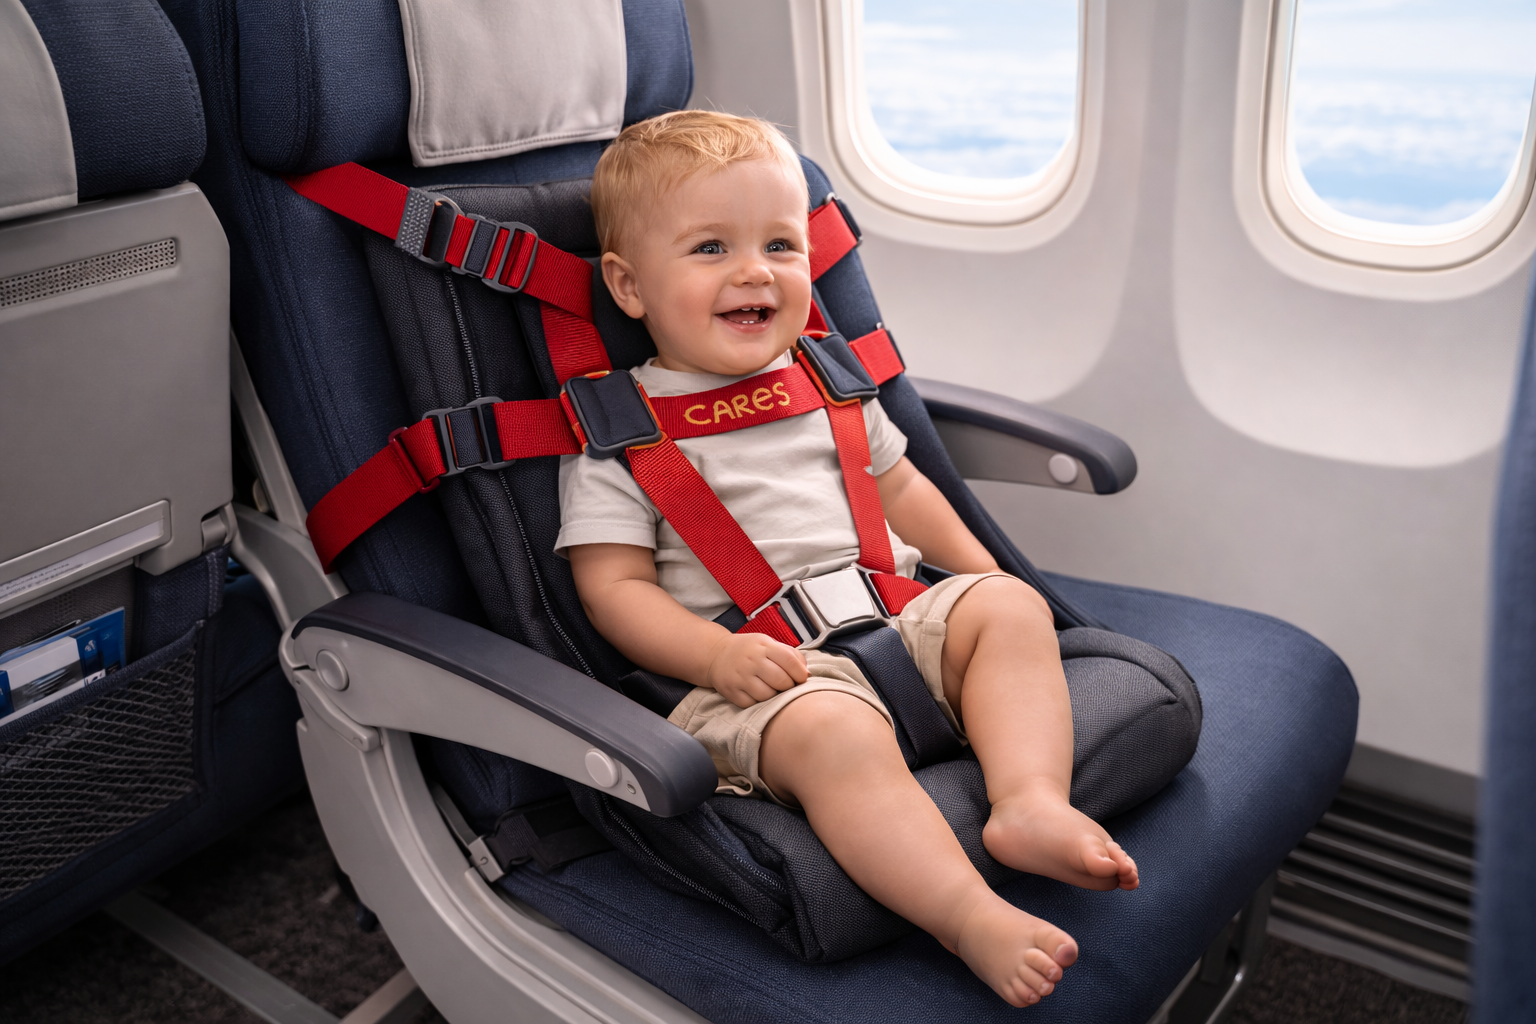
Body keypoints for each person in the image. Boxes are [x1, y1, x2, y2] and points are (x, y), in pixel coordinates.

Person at [557, 110, 1137, 1008]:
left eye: (781, 245)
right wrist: (714, 657)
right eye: (711, 248)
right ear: (630, 287)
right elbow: (612, 592)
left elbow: (906, 494)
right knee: (834, 733)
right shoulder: (616, 437)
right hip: (760, 671)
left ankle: (1029, 803)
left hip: (897, 617)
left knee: (1009, 610)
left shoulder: (827, 382)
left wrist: (984, 575)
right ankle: (967, 913)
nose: (755, 271)